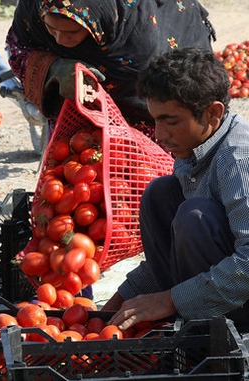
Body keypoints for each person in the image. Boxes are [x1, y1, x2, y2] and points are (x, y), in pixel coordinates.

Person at [102, 47, 249, 330]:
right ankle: (182, 321)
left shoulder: (238, 160)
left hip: (240, 296)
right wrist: (112, 310)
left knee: (195, 216)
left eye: (170, 122)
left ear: (212, 113)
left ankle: (213, 337)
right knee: (160, 194)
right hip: (213, 287)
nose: (159, 135)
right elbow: (168, 252)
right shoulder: (193, 148)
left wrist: (170, 300)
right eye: (156, 120)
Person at [6, 0, 216, 140]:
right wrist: (54, 68)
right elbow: (19, 48)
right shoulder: (33, 7)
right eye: (51, 29)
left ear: (99, 20)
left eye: (72, 31)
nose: (61, 41)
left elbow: (161, 101)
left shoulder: (141, 39)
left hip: (161, 47)